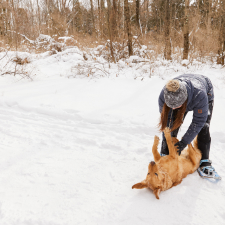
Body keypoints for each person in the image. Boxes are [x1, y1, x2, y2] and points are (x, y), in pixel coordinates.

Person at [158, 74, 220, 179]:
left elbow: (198, 121)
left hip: (203, 90)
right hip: (183, 90)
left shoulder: (200, 95)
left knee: (204, 127)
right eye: (171, 106)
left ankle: (204, 161)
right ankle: (167, 152)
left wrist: (183, 142)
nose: (173, 108)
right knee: (173, 123)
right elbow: (167, 124)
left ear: (184, 101)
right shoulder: (164, 96)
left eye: (176, 106)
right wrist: (166, 147)